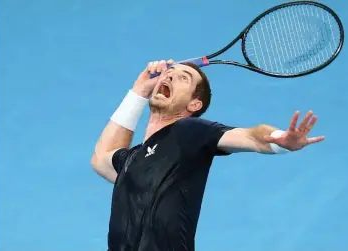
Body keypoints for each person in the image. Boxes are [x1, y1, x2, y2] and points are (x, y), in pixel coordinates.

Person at [91, 59, 325, 251]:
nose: (169, 76)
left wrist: (280, 139)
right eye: (169, 73)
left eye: (184, 78)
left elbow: (251, 136)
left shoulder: (189, 132)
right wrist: (138, 91)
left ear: (194, 104)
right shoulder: (133, 160)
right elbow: (102, 157)